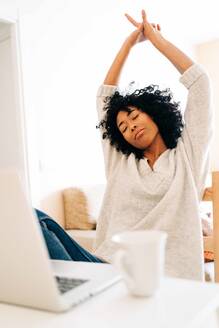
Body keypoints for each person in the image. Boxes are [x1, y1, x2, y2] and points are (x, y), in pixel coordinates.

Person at [92, 9, 213, 281]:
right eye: (122, 127)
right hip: (110, 269)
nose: (130, 126)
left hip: (170, 276)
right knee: (39, 221)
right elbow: (104, 99)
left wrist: (157, 41)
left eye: (134, 116)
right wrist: (128, 44)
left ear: (154, 114)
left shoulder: (187, 155)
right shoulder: (120, 163)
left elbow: (201, 83)